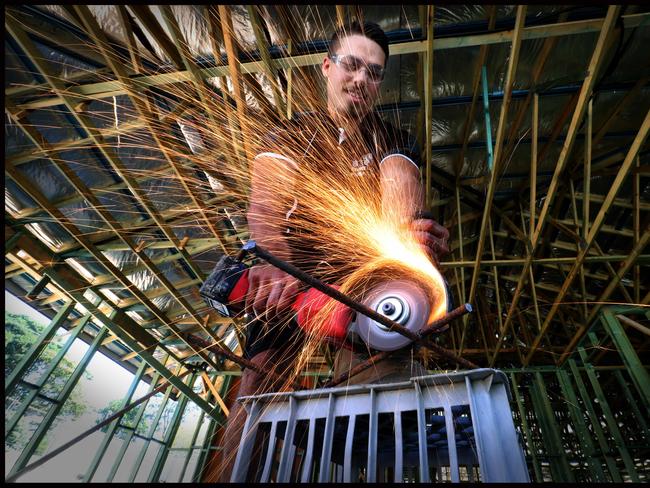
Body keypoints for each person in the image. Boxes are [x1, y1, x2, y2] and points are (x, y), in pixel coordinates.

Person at [217, 21, 449, 481]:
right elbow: (266, 206)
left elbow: (399, 191)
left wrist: (408, 243)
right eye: (352, 65)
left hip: (360, 275)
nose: (362, 79)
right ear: (328, 67)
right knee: (258, 379)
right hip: (291, 271)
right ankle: (231, 471)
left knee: (382, 372)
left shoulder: (394, 140)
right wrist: (273, 261)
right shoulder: (290, 134)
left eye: (375, 73)